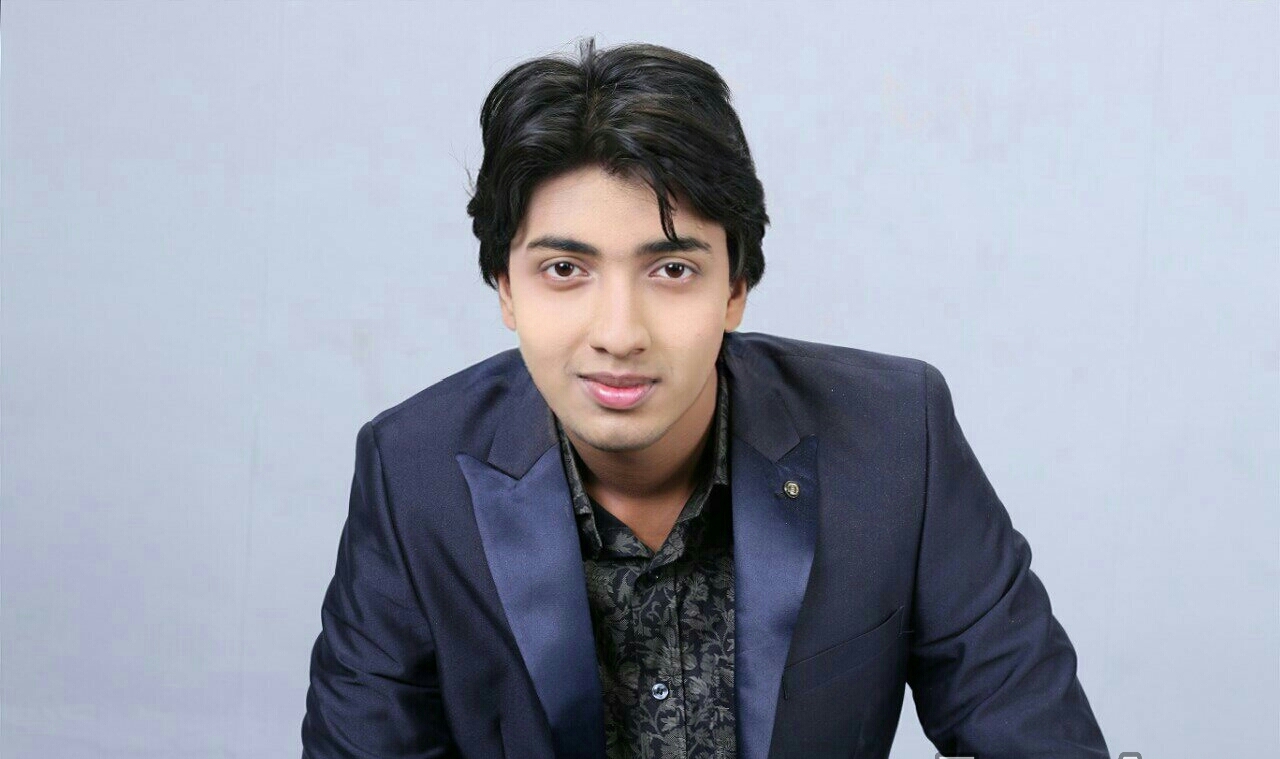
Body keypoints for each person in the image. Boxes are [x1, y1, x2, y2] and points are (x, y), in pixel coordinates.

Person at [301, 38, 1108, 759]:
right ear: (505, 288)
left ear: (736, 287)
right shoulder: (413, 477)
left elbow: (1039, 736)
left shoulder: (898, 438)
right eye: (564, 270)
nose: (619, 333)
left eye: (672, 269)